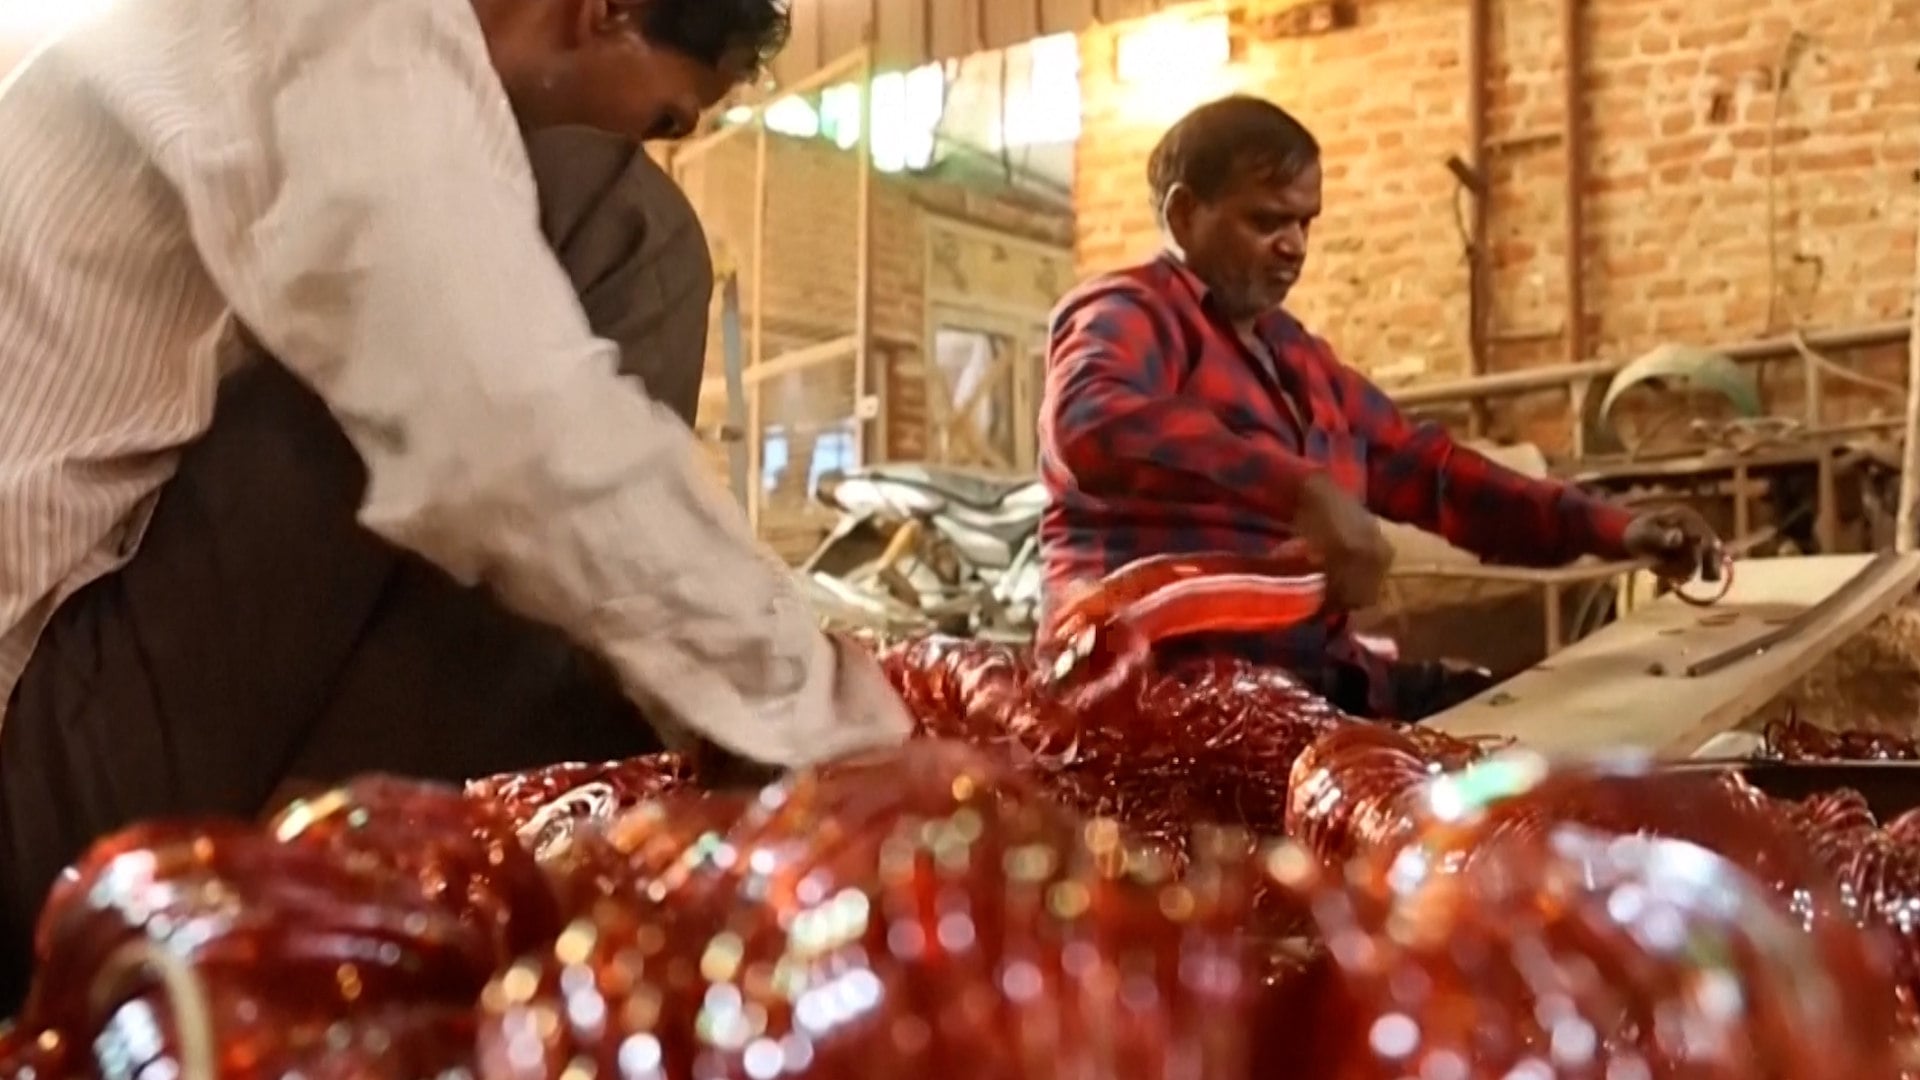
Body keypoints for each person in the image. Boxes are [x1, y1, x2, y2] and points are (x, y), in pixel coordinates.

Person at [0, 0, 914, 1005]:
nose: (652, 142)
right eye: (667, 117)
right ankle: (366, 924)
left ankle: (365, 876)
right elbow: (498, 420)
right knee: (617, 222)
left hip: (68, 709)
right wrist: (822, 726)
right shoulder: (349, 31)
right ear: (605, 13)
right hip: (26, 762)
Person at [1038, 95, 1716, 719]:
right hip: (1162, 706)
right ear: (1185, 214)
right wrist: (1303, 491)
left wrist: (1617, 531)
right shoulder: (1129, 311)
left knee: (1554, 731)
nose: (1294, 245)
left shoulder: (1301, 361)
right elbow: (1091, 419)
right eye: (1266, 220)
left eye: (1305, 223)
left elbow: (1435, 476)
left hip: (1313, 684)